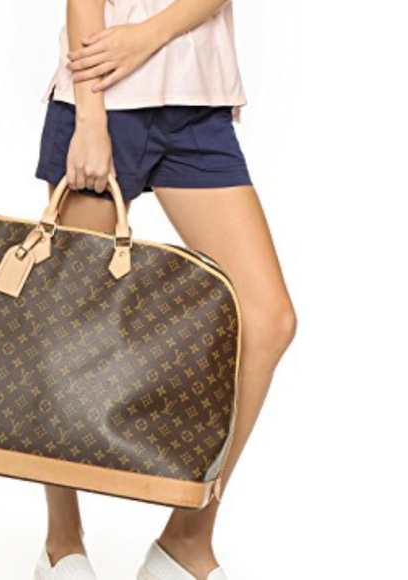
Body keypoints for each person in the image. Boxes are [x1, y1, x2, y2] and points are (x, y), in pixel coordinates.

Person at [33, 1, 297, 579]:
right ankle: (61, 545)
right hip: (103, 98)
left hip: (197, 103)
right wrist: (89, 120)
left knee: (268, 320)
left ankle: (185, 542)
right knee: (68, 325)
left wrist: (148, 35)